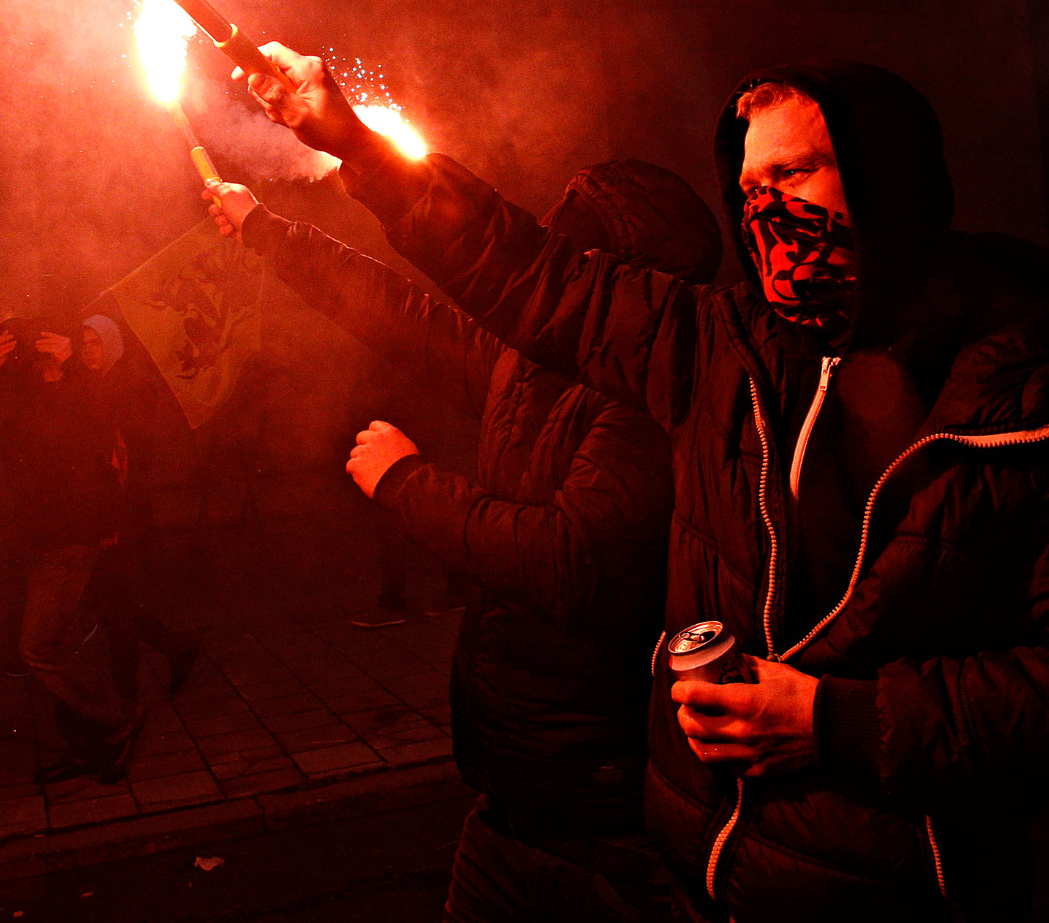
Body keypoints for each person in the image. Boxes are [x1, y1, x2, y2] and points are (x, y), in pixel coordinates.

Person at [227, 47, 1049, 921]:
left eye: (793, 171)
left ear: (887, 182)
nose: (763, 207)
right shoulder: (723, 347)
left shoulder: (1039, 397)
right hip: (703, 875)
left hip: (899, 889)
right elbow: (530, 273)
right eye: (747, 185)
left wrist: (830, 722)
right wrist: (350, 142)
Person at [210, 159, 722, 922]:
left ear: (621, 273)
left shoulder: (643, 397)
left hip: (603, 815)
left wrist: (407, 481)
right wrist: (265, 230)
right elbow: (401, 314)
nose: (547, 260)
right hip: (509, 796)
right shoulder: (528, 361)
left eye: (571, 248)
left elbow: (569, 559)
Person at [0, 317, 142, 782]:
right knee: (62, 643)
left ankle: (120, 716)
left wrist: (75, 365)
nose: (40, 361)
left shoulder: (84, 386)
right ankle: (89, 746)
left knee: (38, 647)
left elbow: (105, 431)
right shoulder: (25, 391)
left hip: (73, 533)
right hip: (38, 532)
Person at [75, 314, 199, 702]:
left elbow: (126, 460)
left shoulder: (124, 388)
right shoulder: (100, 385)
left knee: (116, 606)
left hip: (123, 512)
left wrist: (113, 520)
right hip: (110, 510)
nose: (87, 351)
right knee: (114, 602)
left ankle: (125, 696)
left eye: (96, 343)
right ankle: (176, 651)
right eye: (84, 343)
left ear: (112, 344)